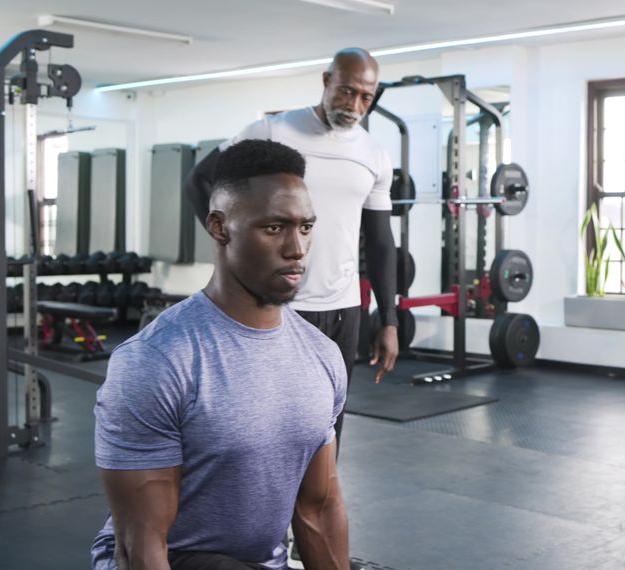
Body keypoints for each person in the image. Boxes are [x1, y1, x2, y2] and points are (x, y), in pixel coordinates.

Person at [92, 139, 348, 570]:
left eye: (305, 227)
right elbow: (142, 545)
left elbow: (317, 509)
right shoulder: (157, 361)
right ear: (219, 226)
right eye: (274, 228)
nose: (297, 248)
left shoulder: (321, 355)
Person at [184, 47, 399, 450]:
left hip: (342, 309)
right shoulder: (271, 132)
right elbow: (199, 181)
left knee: (327, 432)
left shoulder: (374, 155)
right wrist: (231, 247)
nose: (353, 105)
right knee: (267, 430)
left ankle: (314, 512)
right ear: (326, 81)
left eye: (365, 97)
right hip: (280, 306)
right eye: (345, 91)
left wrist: (388, 318)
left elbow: (382, 241)